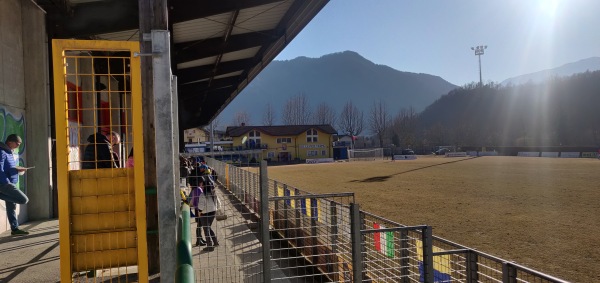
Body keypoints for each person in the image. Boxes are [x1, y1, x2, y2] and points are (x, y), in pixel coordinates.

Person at [0, 134, 30, 236]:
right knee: (24, 199)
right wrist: (6, 182)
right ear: (10, 142)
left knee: (11, 207)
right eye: (17, 143)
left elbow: (7, 167)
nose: (18, 145)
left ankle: (15, 229)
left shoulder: (9, 152)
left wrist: (17, 169)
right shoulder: (2, 152)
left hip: (9, 182)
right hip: (5, 183)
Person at [197, 176, 221, 251]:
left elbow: (201, 206)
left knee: (206, 230)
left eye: (202, 185)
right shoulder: (213, 194)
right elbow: (218, 203)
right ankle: (215, 241)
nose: (201, 186)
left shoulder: (202, 195)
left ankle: (210, 246)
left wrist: (199, 213)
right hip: (213, 213)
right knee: (208, 228)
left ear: (204, 186)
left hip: (205, 214)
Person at [188, 177, 207, 246]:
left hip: (196, 208)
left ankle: (200, 239)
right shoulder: (199, 189)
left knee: (199, 225)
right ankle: (198, 240)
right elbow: (201, 199)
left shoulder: (195, 189)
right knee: (199, 225)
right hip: (199, 209)